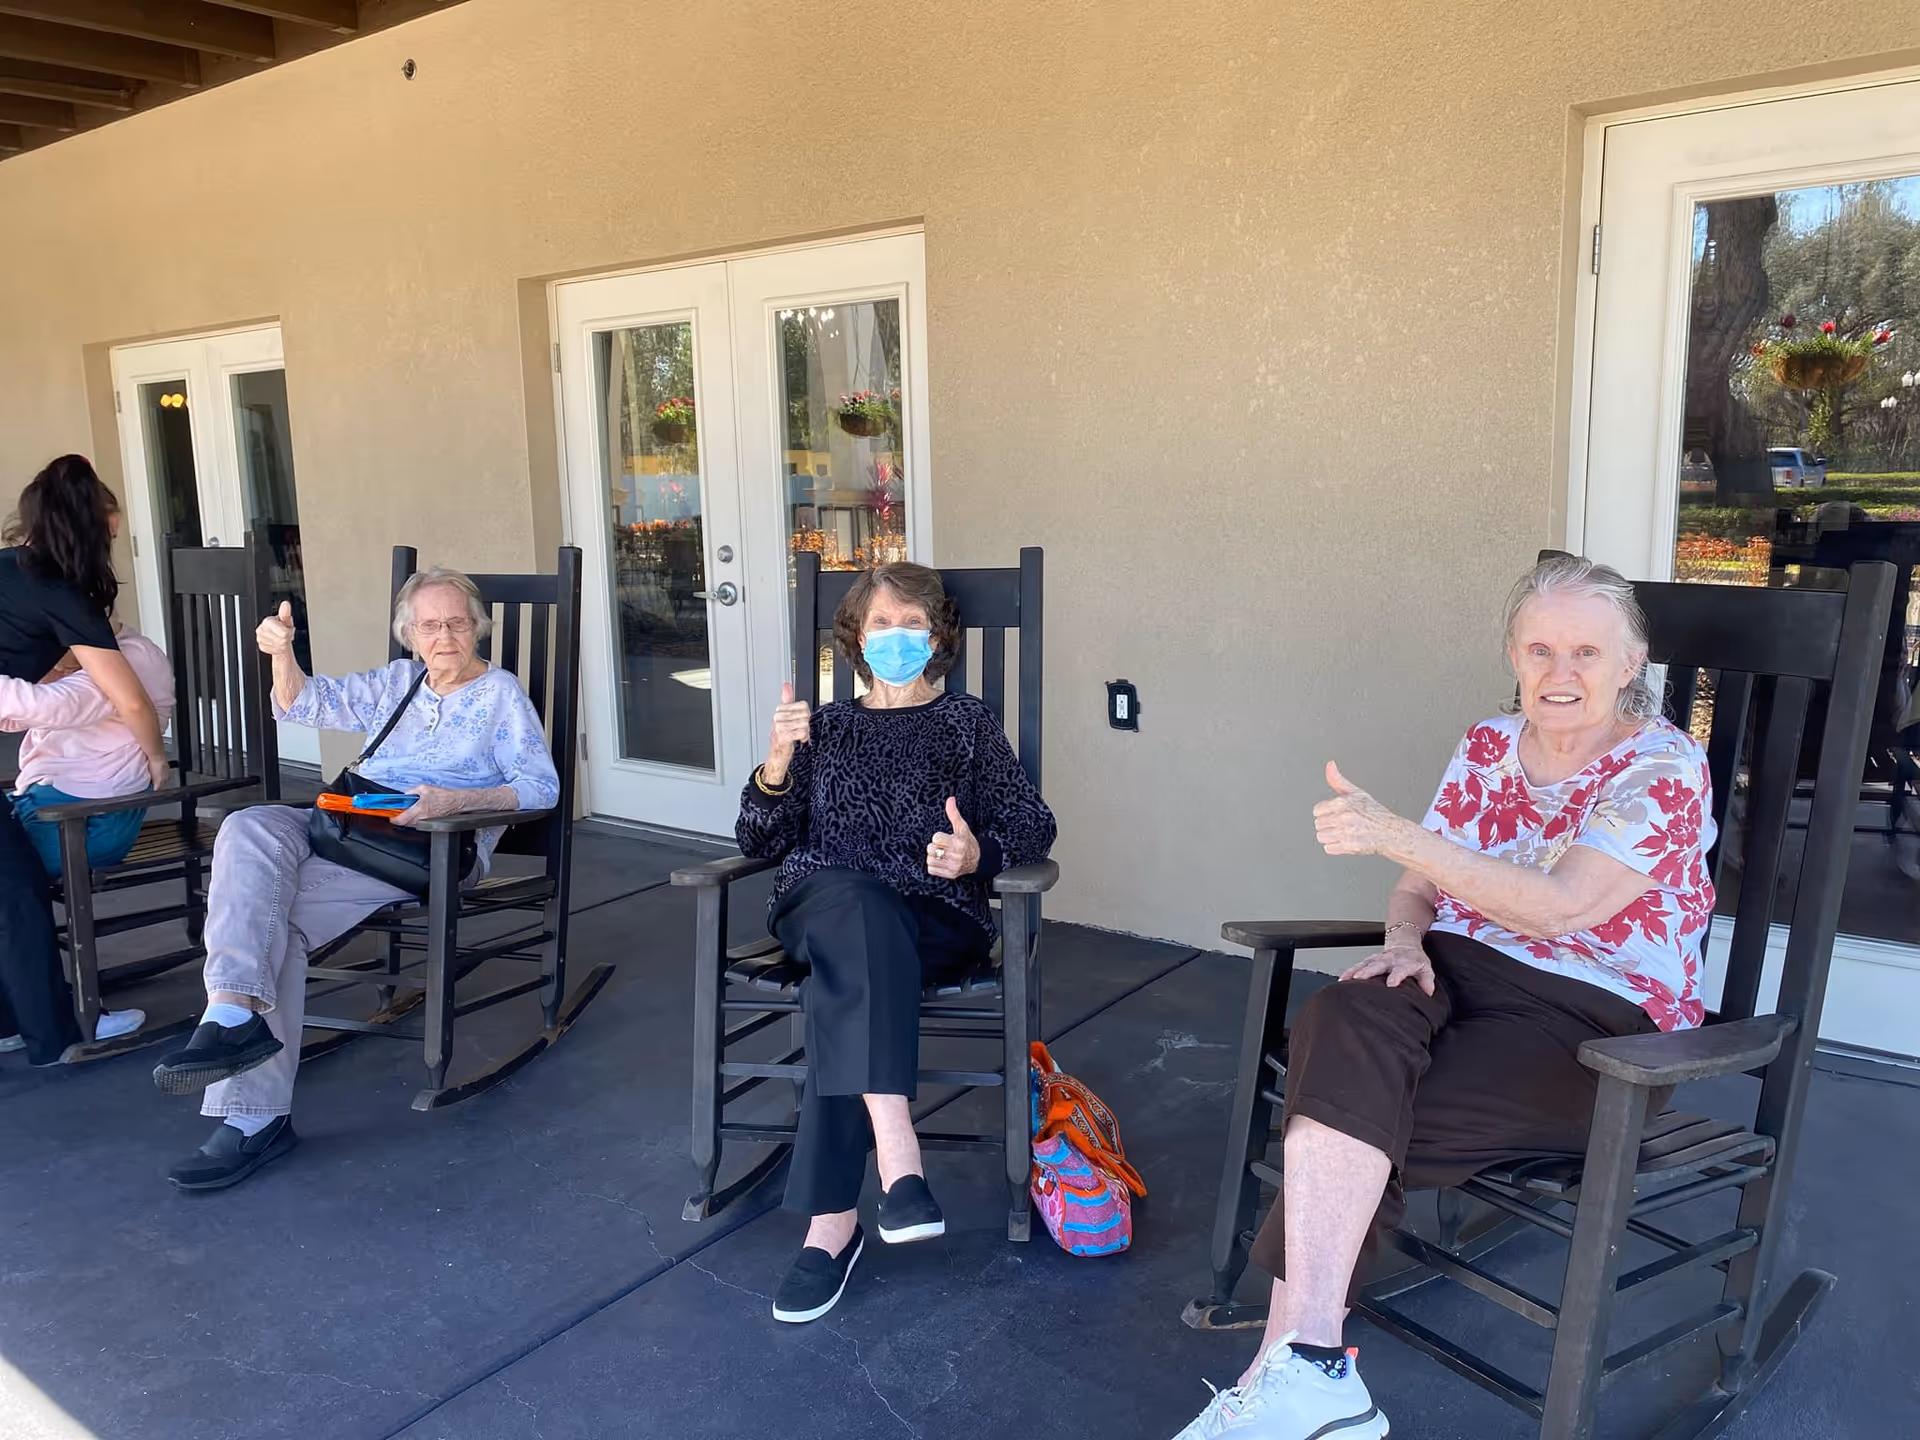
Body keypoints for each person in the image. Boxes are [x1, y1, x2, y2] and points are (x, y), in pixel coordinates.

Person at [1172, 554, 1715, 1440]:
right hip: (1450, 969)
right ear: (1512, 654)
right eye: (1540, 650)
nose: (1561, 673)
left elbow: (1562, 907)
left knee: (1338, 1119)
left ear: (1631, 663)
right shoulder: (1485, 745)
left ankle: (1291, 1369)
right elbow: (1422, 889)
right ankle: (1310, 1379)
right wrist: (1398, 943)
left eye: (1586, 651)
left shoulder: (1663, 769)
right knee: (1344, 1015)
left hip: (1594, 1023)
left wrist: (1393, 834)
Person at [148, 567, 560, 1191]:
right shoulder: (398, 682)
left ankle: (254, 1116)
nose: (444, 635)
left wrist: (449, 803)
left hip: (425, 847)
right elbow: (300, 705)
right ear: (409, 634)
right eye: (429, 625)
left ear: (477, 627)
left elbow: (542, 787)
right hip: (346, 828)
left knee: (272, 931)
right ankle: (233, 1010)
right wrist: (283, 654)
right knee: (250, 826)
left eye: (456, 622)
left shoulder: (501, 694)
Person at [735, 561, 1057, 1324]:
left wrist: (977, 855)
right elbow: (757, 836)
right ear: (855, 637)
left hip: (931, 920)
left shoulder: (968, 722)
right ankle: (899, 1155)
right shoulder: (826, 726)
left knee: (843, 983)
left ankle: (831, 1231)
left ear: (939, 637)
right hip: (824, 903)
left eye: (913, 624)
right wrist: (777, 763)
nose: (897, 637)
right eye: (881, 623)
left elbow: (1031, 824)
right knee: (854, 903)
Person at [0, 456, 168, 1065]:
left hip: (56, 792)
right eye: (112, 531)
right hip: (65, 794)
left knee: (11, 886)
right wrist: (157, 758)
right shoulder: (59, 590)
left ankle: (18, 1022)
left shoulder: (12, 575)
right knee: (15, 896)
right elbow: (128, 699)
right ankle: (55, 1037)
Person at [1, 624, 174, 881]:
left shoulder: (130, 656)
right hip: (44, 807)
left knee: (9, 876)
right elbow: (20, 716)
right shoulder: (80, 657)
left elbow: (57, 705)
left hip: (85, 825)